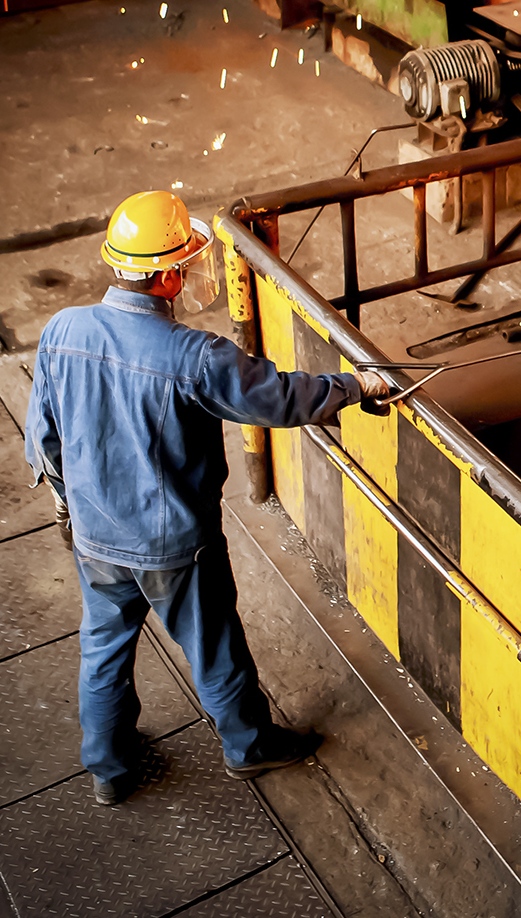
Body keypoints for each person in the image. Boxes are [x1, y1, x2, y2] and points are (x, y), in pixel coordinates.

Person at [23, 189, 395, 806]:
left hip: (94, 536)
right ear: (167, 275)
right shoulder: (193, 356)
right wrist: (356, 385)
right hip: (174, 547)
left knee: (103, 648)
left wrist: (67, 504)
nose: (192, 273)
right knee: (213, 645)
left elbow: (45, 435)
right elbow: (278, 397)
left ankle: (108, 769)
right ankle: (248, 747)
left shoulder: (62, 329)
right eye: (187, 264)